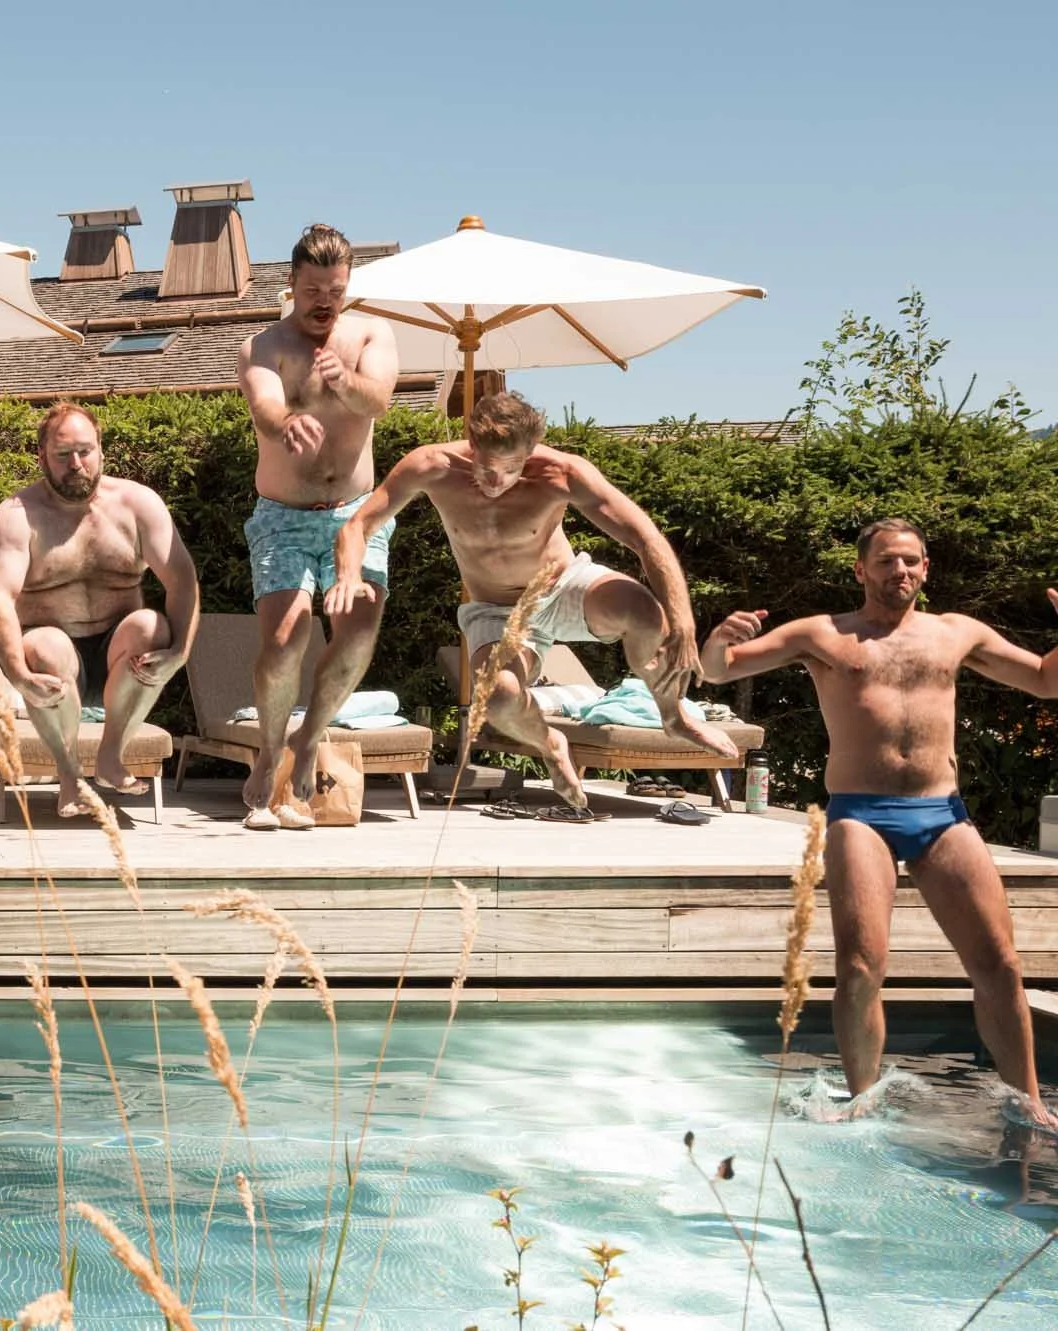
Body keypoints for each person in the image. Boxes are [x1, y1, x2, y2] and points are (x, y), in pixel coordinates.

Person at [700, 519, 1055, 1128]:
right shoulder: (824, 634)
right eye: (888, 562)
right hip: (860, 814)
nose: (902, 572)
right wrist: (718, 638)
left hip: (943, 813)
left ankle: (1029, 1103)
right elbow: (719, 670)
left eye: (912, 561)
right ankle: (862, 1098)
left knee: (1000, 963)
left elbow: (1046, 682)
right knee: (861, 965)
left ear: (927, 567)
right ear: (861, 569)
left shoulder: (956, 633)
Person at [328, 390, 736, 816]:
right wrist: (348, 574)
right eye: (486, 468)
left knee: (645, 612)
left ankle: (673, 715)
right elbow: (358, 525)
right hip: (496, 610)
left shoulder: (562, 473)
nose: (496, 481)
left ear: (531, 451)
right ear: (472, 443)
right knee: (499, 699)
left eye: (511, 469)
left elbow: (645, 538)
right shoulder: (432, 466)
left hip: (563, 585)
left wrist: (683, 622)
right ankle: (550, 743)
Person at [235, 223, 400, 829]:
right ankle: (270, 747)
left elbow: (379, 399)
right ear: (291, 285)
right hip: (283, 515)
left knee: (357, 633)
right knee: (283, 640)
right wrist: (284, 425)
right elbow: (264, 402)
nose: (324, 301)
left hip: (357, 515)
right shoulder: (263, 345)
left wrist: (344, 380)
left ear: (347, 284)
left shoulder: (371, 335)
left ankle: (310, 739)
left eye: (334, 289)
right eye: (312, 290)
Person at [0, 402, 200, 815]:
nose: (76, 464)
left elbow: (182, 579)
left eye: (85, 451)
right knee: (45, 646)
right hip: (55, 662)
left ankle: (111, 756)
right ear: (42, 457)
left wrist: (180, 654)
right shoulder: (18, 515)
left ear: (101, 450)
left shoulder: (137, 505)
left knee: (151, 626)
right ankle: (69, 778)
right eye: (63, 455)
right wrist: (18, 674)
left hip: (119, 657)